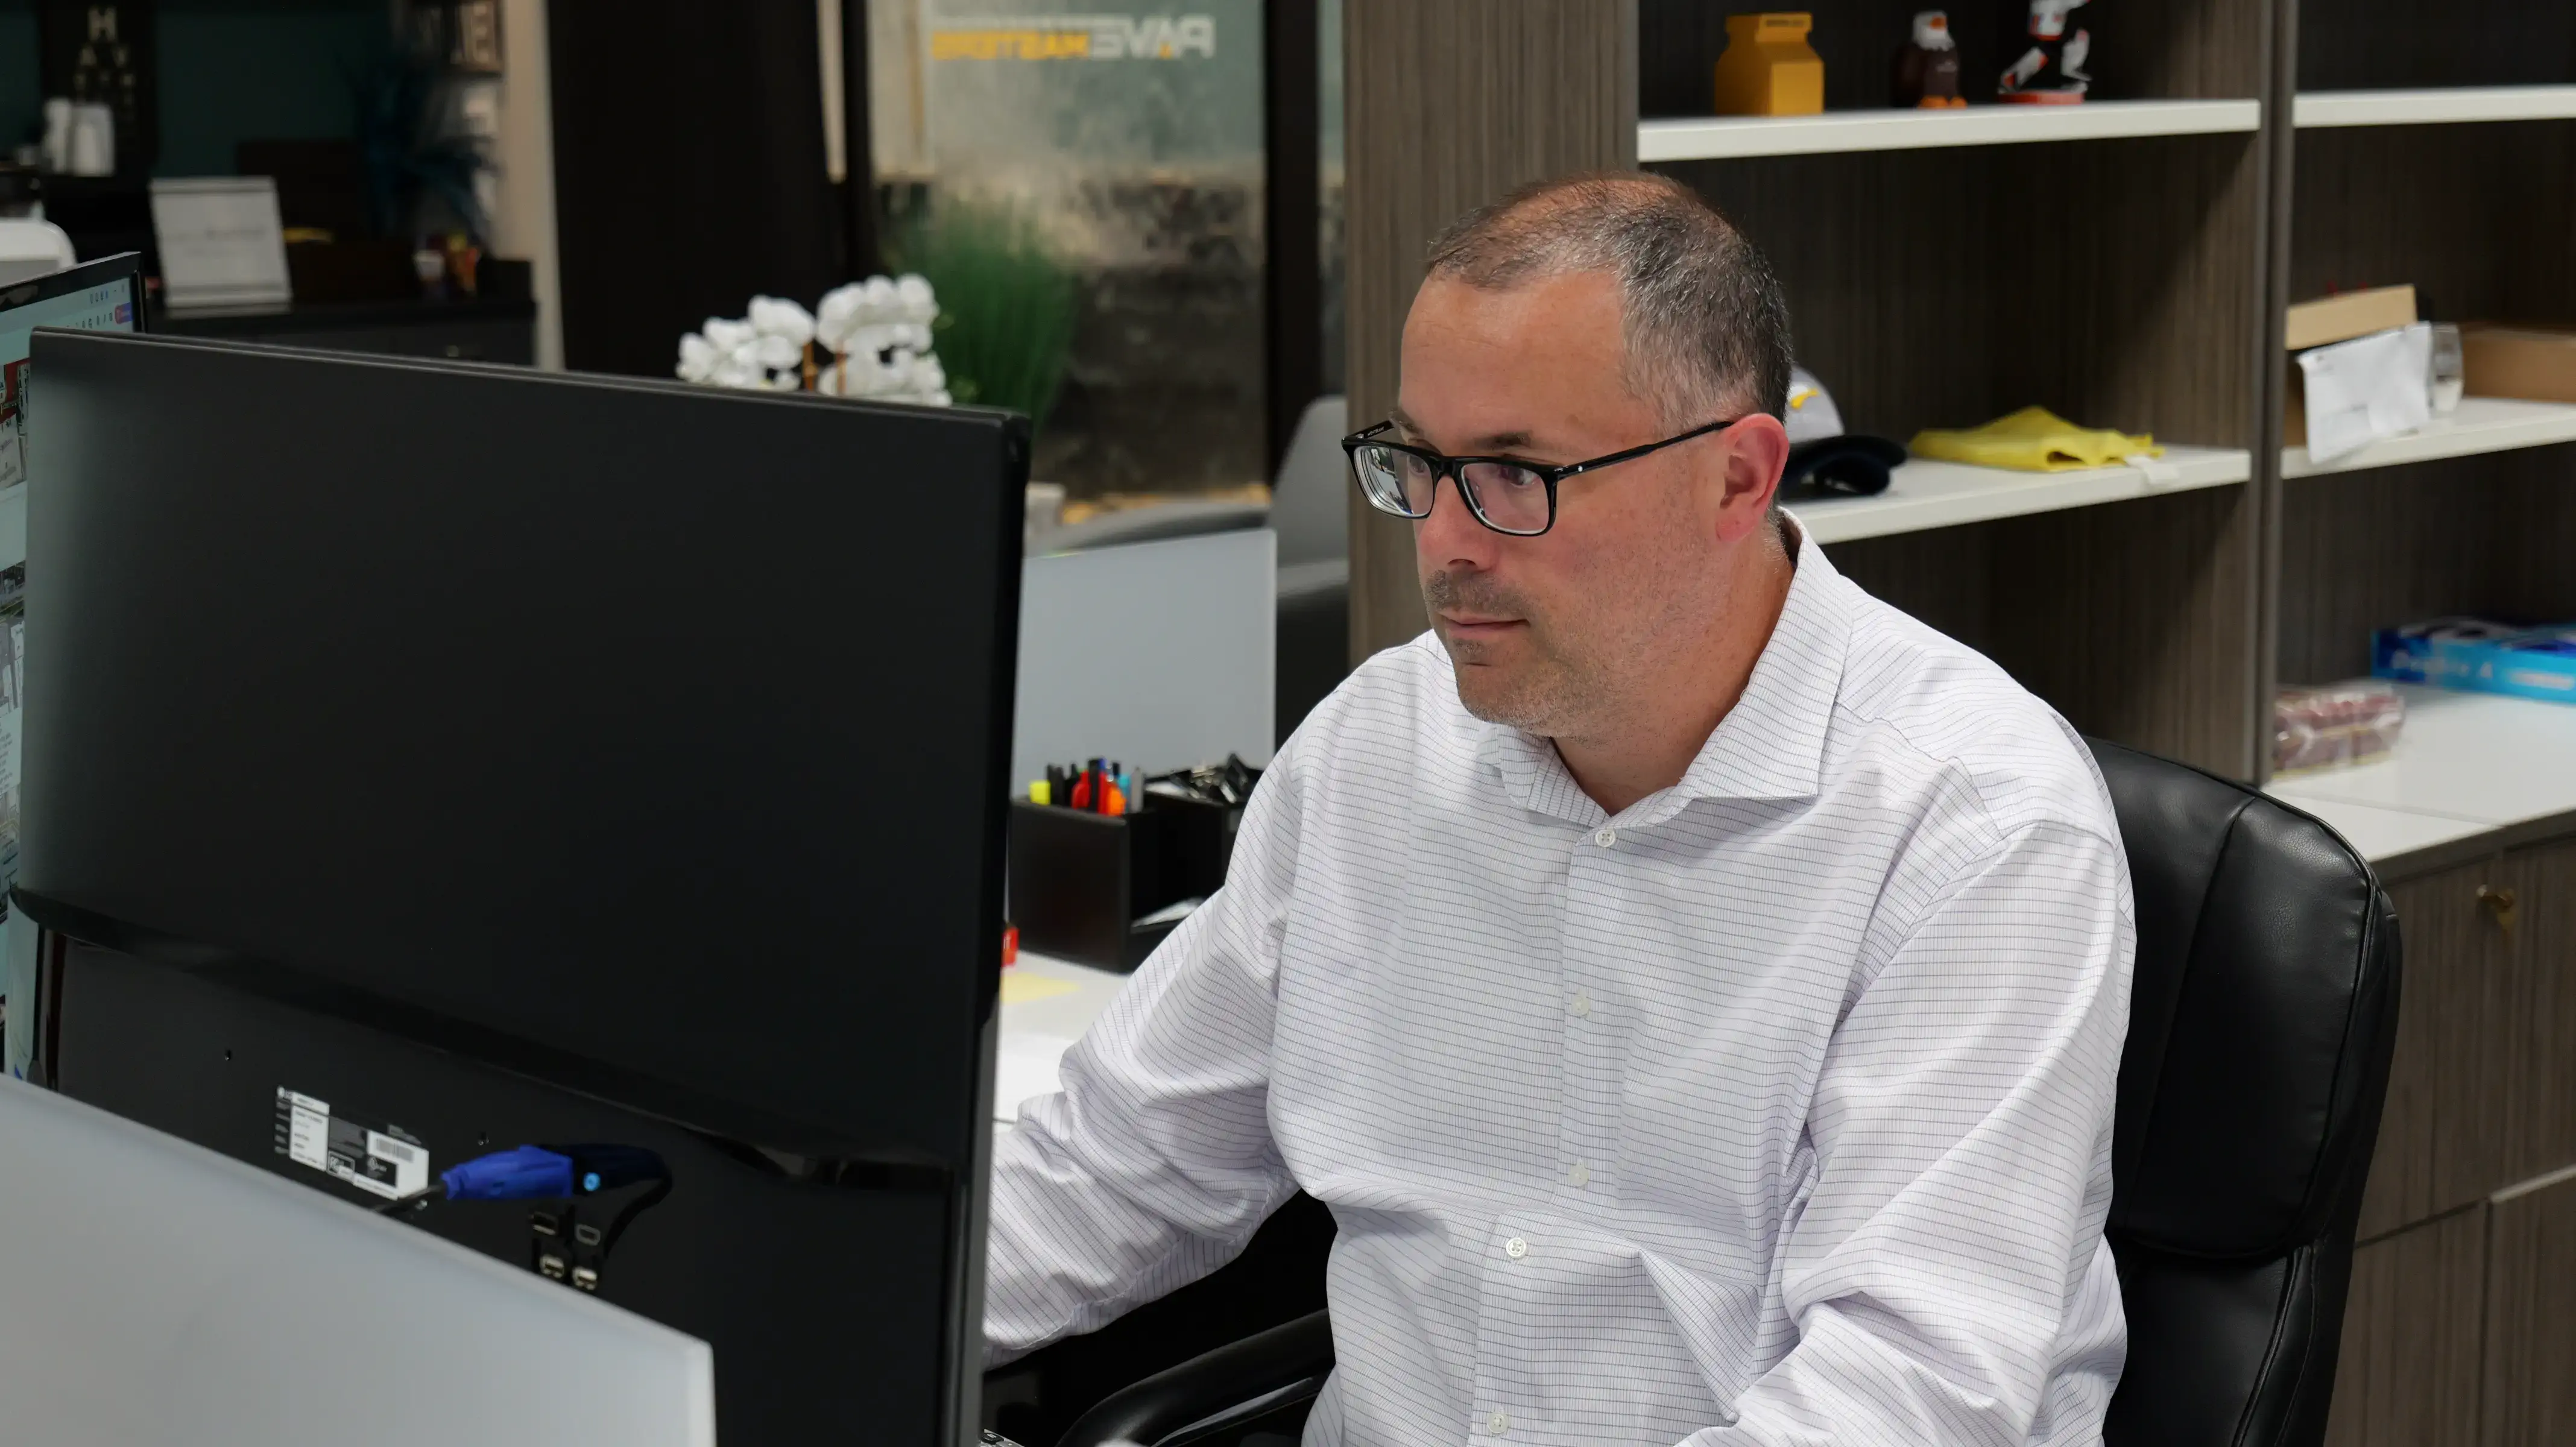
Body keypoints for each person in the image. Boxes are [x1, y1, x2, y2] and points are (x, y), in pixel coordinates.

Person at [986, 172, 2133, 1446]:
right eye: (1418, 464)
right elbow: (1117, 1166)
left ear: (1738, 479)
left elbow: (1905, 1394)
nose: (1445, 543)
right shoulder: (1380, 747)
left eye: (1515, 477)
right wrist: (795, 1306)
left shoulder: (1976, 833)